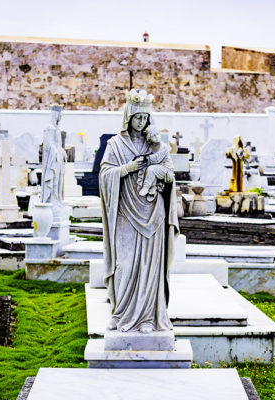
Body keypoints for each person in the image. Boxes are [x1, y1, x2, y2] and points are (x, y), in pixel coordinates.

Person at [99, 89, 178, 334]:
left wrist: (161, 174)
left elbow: (171, 174)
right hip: (125, 211)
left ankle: (147, 319)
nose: (142, 122)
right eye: (138, 117)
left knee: (148, 267)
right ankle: (120, 312)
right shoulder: (115, 145)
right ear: (129, 117)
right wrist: (128, 168)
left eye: (146, 117)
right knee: (124, 263)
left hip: (153, 213)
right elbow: (104, 176)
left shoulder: (156, 144)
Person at [41, 106, 66, 203]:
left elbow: (58, 144)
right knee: (53, 180)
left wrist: (62, 151)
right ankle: (51, 200)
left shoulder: (57, 128)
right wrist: (55, 151)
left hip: (58, 159)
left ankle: (56, 200)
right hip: (53, 159)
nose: (61, 117)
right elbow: (49, 143)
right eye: (60, 114)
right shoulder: (49, 127)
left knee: (58, 181)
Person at [137, 128, 170, 200]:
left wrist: (147, 158)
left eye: (157, 134)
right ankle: (152, 188)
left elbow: (157, 158)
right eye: (154, 135)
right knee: (145, 168)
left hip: (166, 167)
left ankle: (146, 187)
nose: (157, 136)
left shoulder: (163, 146)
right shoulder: (150, 146)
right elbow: (146, 154)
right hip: (158, 167)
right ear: (149, 138)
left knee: (151, 169)